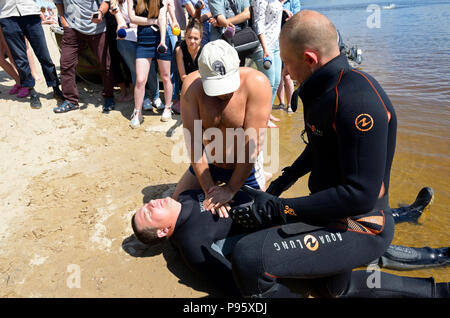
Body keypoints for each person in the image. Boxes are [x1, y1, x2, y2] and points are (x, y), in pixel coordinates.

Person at [221, 10, 406, 298]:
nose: (285, 71)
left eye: (288, 62)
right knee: (330, 290)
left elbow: (360, 195)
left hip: (363, 223)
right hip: (327, 211)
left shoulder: (358, 101)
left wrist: (278, 208)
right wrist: (280, 186)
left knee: (249, 259)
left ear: (309, 59)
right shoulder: (321, 90)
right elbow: (319, 146)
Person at [130, 188, 449, 297]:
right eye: (148, 215)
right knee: (368, 241)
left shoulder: (185, 196)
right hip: (294, 236)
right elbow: (237, 281)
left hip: (287, 210)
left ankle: (408, 213)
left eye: (145, 205)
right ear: (161, 233)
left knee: (363, 217)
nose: (150, 205)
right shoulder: (190, 244)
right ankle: (438, 255)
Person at [172, 39, 272, 218]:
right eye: (216, 88)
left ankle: (262, 175)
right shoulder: (191, 88)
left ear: (239, 64)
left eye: (227, 85)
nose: (223, 93)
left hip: (244, 165)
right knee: (176, 208)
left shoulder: (257, 83)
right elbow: (194, 144)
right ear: (201, 75)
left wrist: (231, 189)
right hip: (209, 163)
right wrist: (210, 190)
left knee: (262, 217)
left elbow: (252, 147)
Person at [53, 0, 115, 113]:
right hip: (71, 28)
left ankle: (108, 96)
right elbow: (58, 2)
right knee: (66, 64)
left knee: (106, 64)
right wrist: (63, 21)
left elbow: (106, 2)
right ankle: (70, 100)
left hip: (97, 29)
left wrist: (100, 12)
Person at [0, 0, 63, 108]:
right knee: (20, 58)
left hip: (30, 13)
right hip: (7, 16)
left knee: (44, 55)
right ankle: (32, 91)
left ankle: (56, 88)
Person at [110, 0, 163, 113]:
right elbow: (122, 22)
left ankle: (156, 97)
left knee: (152, 69)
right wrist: (122, 28)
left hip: (145, 36)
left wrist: (141, 22)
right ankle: (144, 99)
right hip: (126, 39)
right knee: (136, 71)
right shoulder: (114, 2)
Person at [128, 0, 174, 126]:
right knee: (141, 79)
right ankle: (137, 112)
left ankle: (168, 107)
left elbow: (162, 17)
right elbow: (132, 18)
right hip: (143, 40)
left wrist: (163, 41)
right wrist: (153, 22)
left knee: (165, 76)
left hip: (161, 37)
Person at [250, 0, 284, 127]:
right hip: (264, 46)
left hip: (275, 45)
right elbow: (258, 23)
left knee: (276, 82)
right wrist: (265, 48)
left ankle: (267, 113)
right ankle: (262, 118)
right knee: (268, 83)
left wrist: (284, 10)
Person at [275, 0, 301, 113]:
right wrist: (281, 9)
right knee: (278, 75)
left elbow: (297, 19)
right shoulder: (272, 2)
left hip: (289, 41)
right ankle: (281, 103)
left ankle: (290, 105)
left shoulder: (294, 1)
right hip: (274, 41)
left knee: (287, 75)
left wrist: (289, 17)